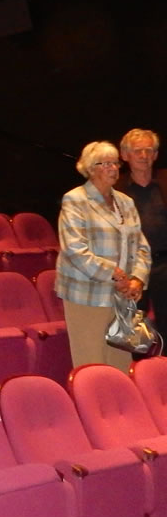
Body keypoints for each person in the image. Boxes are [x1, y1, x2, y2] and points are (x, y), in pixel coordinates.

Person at [56, 141, 150, 372]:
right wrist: (115, 275)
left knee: (120, 364)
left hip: (122, 296)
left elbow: (142, 246)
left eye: (115, 163)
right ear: (90, 168)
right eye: (105, 164)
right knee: (92, 363)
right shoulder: (75, 200)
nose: (113, 168)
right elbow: (74, 249)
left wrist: (137, 279)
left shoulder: (125, 202)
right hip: (87, 294)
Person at [117, 129, 166, 330]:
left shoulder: (165, 181)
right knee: (134, 331)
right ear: (125, 155)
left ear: (156, 155)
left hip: (165, 263)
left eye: (149, 150)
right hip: (132, 269)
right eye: (138, 151)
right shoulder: (115, 188)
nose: (144, 156)